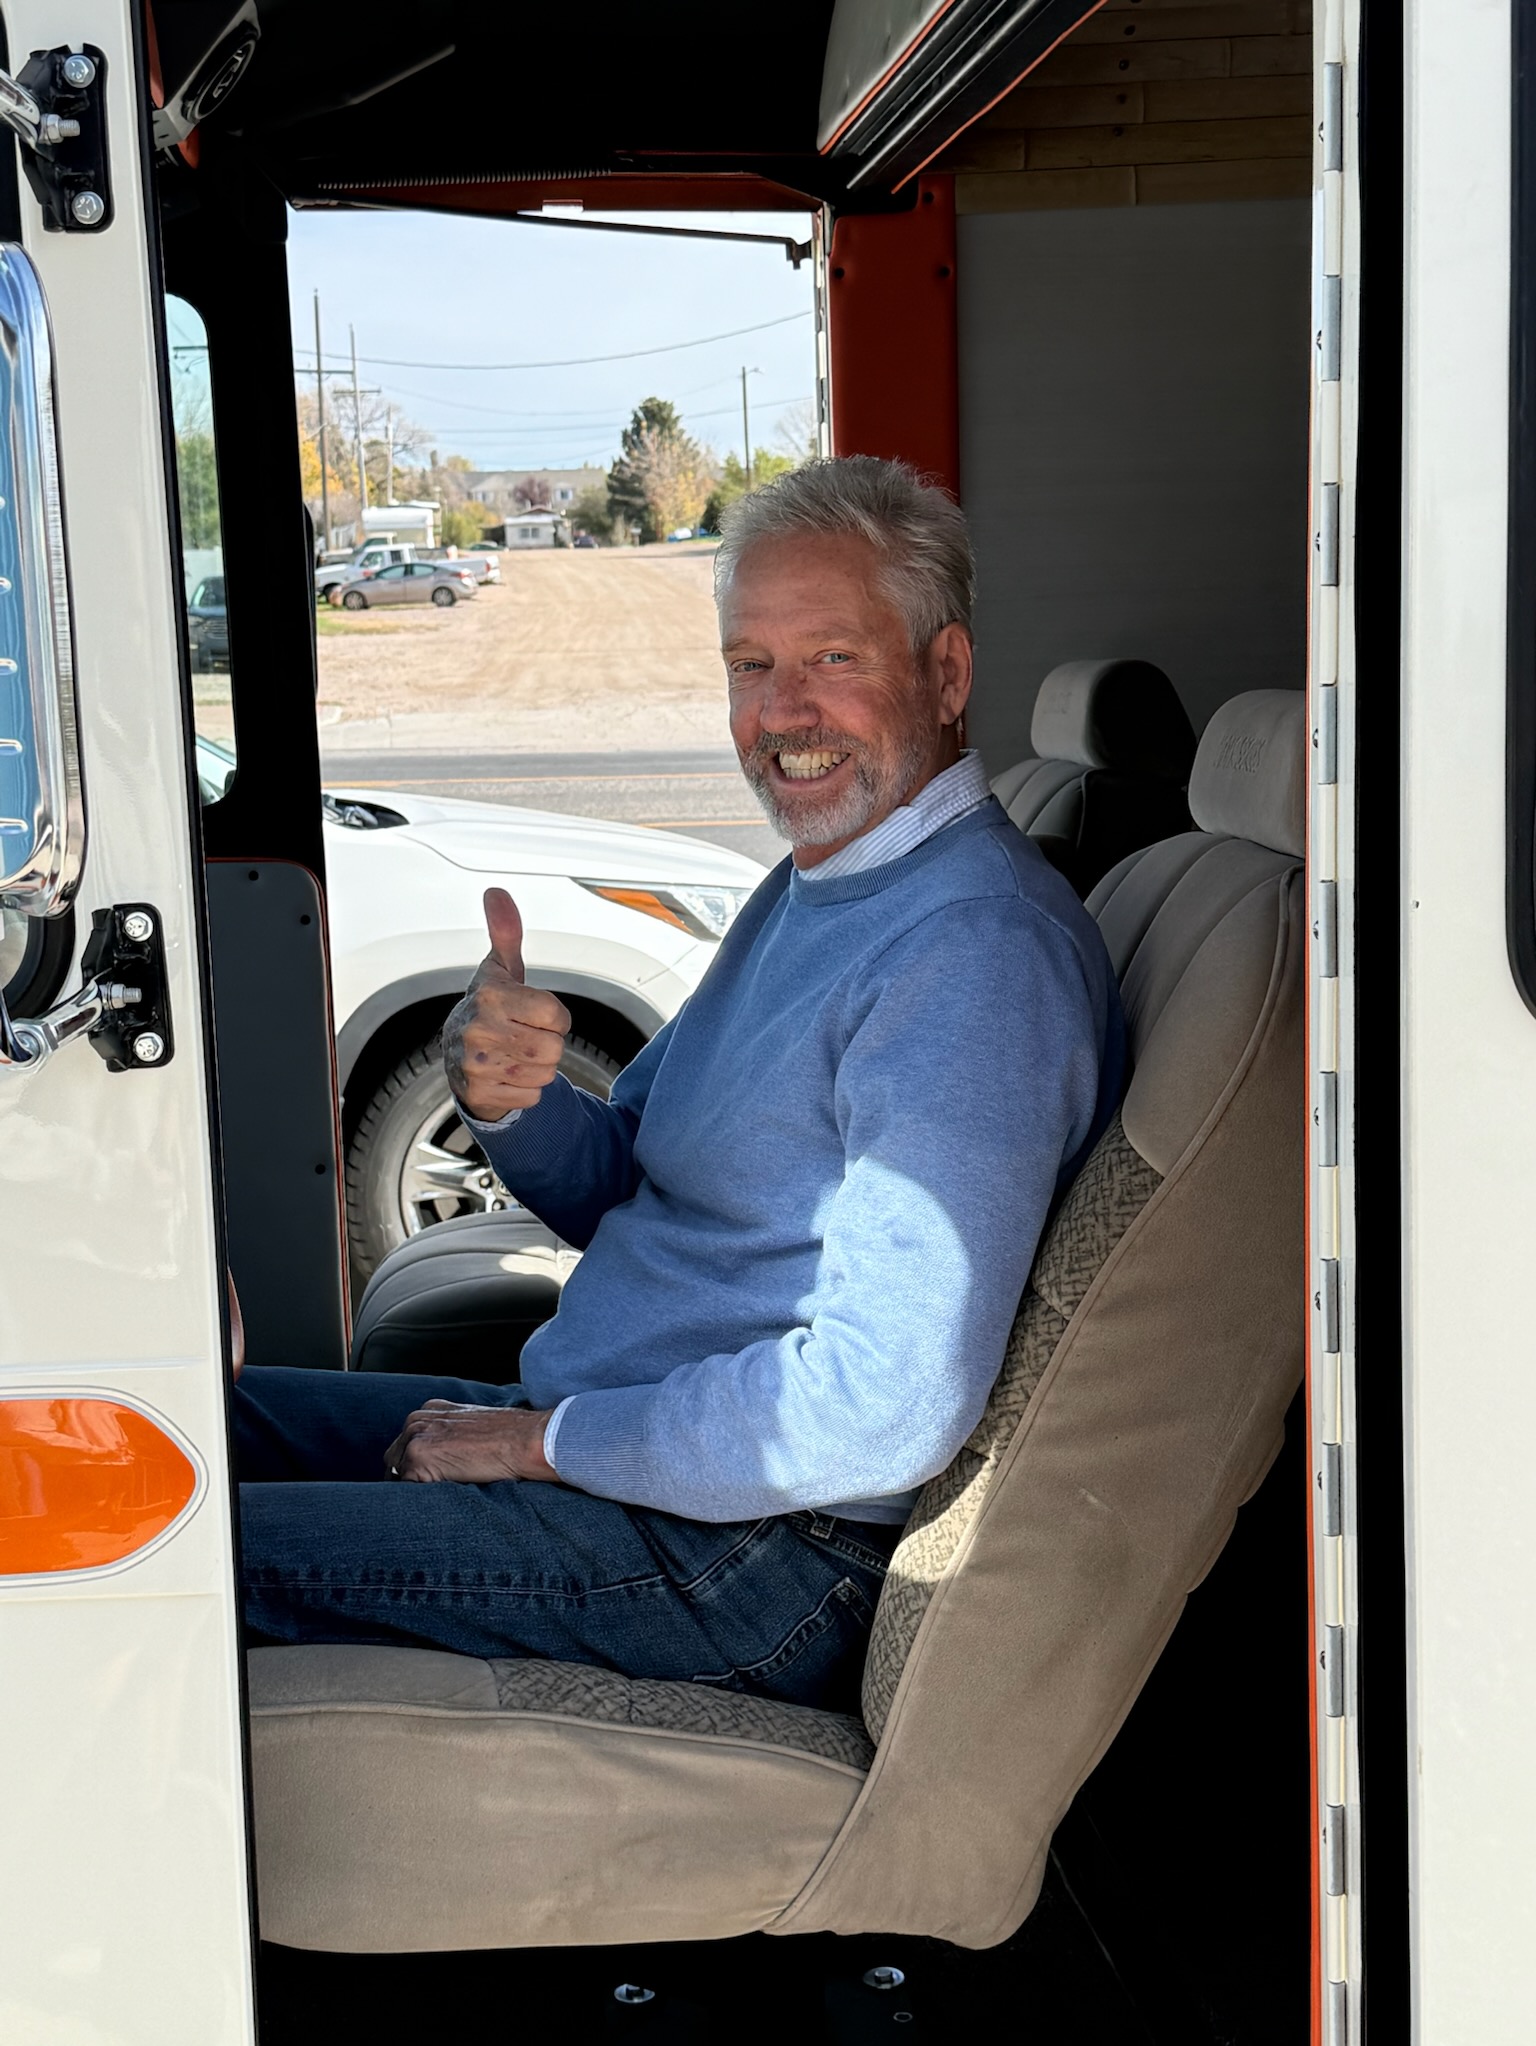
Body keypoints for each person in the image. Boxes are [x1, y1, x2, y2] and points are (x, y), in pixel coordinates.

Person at [234, 457, 1125, 1712]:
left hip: (753, 1553)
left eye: (833, 658)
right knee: (159, 1427)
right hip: (636, 1450)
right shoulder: (820, 880)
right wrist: (516, 1096)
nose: (781, 711)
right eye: (749, 665)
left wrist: (541, 1445)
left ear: (947, 671)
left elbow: (884, 1405)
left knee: (146, 1556)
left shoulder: (970, 953)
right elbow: (626, 1182)